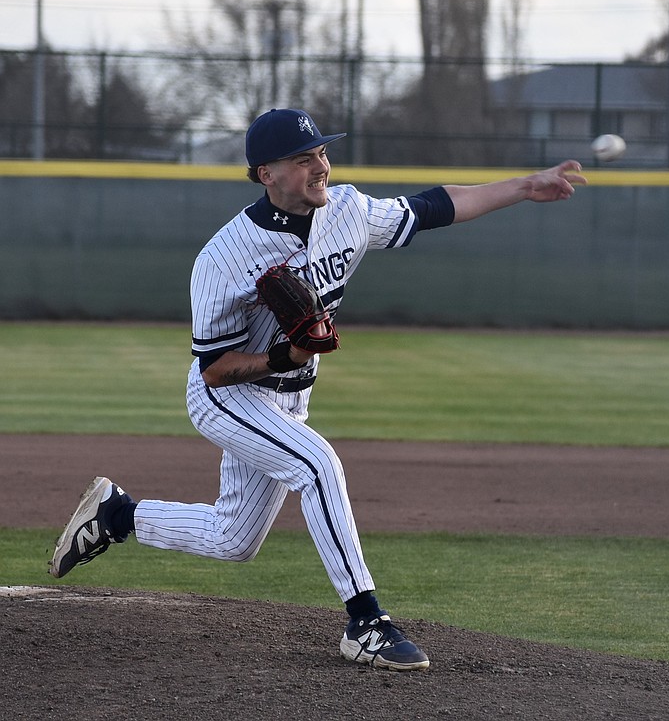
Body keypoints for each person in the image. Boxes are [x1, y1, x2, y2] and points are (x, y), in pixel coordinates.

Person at [49, 108, 586, 671]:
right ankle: (366, 623)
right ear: (267, 174)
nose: (320, 166)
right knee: (318, 467)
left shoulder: (349, 211)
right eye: (303, 159)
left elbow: (434, 206)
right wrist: (289, 352)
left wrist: (525, 186)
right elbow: (212, 370)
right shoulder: (223, 258)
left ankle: (116, 516)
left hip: (290, 396)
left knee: (235, 539)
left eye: (322, 153)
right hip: (227, 399)